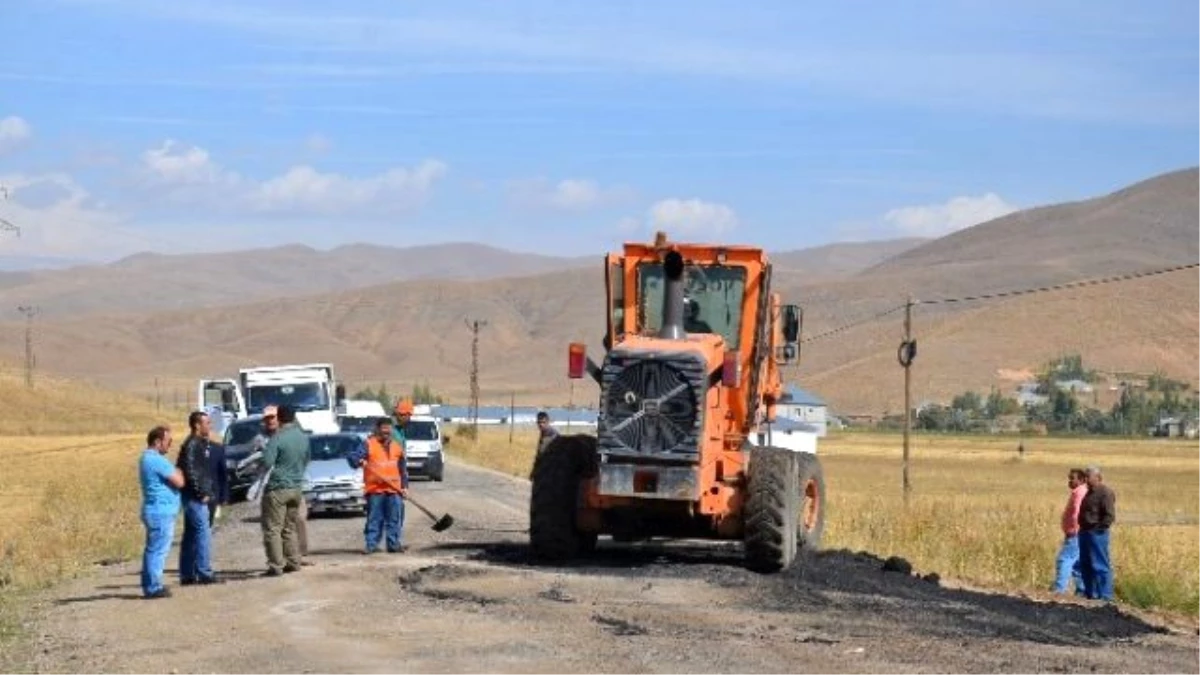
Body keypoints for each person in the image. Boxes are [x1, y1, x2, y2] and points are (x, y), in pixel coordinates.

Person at [260, 404, 310, 576]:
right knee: (289, 527)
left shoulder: (278, 438)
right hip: (296, 487)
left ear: (279, 418)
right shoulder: (303, 437)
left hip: (278, 487)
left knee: (273, 528)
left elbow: (267, 462)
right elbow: (307, 458)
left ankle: (276, 565)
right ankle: (293, 561)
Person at [348, 416, 409, 553]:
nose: (386, 433)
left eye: (388, 431)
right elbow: (352, 457)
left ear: (391, 431)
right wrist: (359, 461)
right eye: (383, 430)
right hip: (375, 490)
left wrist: (404, 487)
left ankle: (393, 544)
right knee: (375, 518)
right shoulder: (369, 444)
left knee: (394, 519)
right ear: (378, 430)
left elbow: (402, 469)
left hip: (394, 490)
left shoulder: (396, 447)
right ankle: (371, 545)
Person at [176, 410, 222, 585]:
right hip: (195, 498)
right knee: (203, 533)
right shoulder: (193, 445)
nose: (209, 426)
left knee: (190, 535)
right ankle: (204, 572)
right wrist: (201, 493)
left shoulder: (197, 444)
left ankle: (187, 574)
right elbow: (191, 472)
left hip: (192, 496)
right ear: (197, 425)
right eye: (207, 423)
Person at [139, 425, 184, 599]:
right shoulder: (156, 460)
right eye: (168, 441)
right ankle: (153, 587)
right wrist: (178, 471)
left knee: (153, 549)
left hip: (155, 509)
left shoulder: (146, 459)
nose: (169, 445)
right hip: (161, 511)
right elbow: (179, 481)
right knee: (158, 550)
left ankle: (150, 584)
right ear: (158, 442)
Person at [1077, 465, 1117, 601]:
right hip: (1084, 533)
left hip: (1097, 534)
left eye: (1088, 476)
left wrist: (1098, 529)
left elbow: (1109, 516)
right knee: (1085, 564)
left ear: (1098, 477)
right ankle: (1091, 594)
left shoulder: (1105, 493)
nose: (1086, 479)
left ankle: (1105, 596)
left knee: (1100, 565)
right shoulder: (1088, 493)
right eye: (1085, 476)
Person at [1051, 468, 1087, 595]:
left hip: (1075, 534)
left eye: (1073, 478)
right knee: (1077, 564)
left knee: (1064, 559)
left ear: (1081, 480)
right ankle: (1082, 591)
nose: (1070, 481)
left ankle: (1059, 589)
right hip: (1078, 533)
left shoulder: (1079, 493)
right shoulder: (1080, 491)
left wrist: (1074, 529)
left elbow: (1077, 512)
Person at [207, 433, 229, 528]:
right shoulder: (190, 448)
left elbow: (223, 474)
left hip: (212, 494)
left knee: (208, 525)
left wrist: (223, 496)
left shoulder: (217, 449)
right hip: (194, 498)